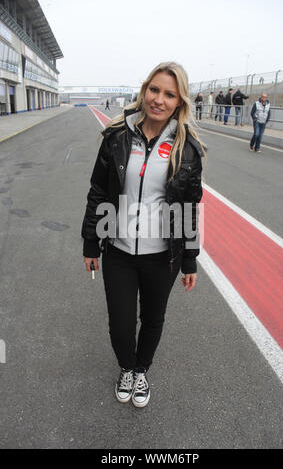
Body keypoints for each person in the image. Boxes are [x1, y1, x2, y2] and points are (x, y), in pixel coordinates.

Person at [81, 62, 206, 408]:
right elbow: (98, 191)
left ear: (180, 101)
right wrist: (91, 241)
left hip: (162, 257)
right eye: (154, 90)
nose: (159, 100)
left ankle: (141, 371)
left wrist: (190, 260)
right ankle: (126, 367)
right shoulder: (117, 135)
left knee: (153, 319)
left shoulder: (187, 148)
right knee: (121, 324)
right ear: (144, 90)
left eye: (169, 94)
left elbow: (189, 207)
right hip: (118, 251)